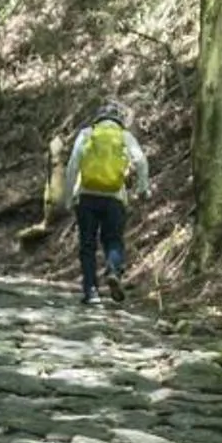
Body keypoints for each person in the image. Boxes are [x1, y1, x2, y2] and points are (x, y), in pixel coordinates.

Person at [62, 100, 150, 305]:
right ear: (118, 120)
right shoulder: (124, 136)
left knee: (87, 244)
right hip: (114, 197)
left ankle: (91, 291)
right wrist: (142, 188)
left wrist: (68, 198)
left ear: (98, 119)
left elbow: (72, 166)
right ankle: (113, 270)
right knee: (114, 240)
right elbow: (141, 160)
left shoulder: (86, 134)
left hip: (86, 196)